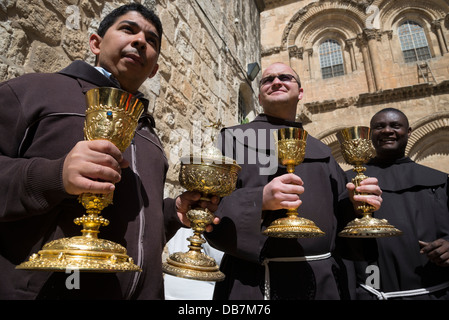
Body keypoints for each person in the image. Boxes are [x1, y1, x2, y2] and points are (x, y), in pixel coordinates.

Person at [0, 3, 216, 300]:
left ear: (154, 69)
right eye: (128, 29)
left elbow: (137, 225)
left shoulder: (149, 133)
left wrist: (172, 213)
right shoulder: (33, 93)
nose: (140, 41)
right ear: (95, 43)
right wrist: (54, 176)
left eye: (151, 40)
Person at [205, 62, 383, 300]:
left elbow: (337, 220)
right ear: (259, 95)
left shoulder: (321, 150)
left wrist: (357, 204)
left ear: (300, 92)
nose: (276, 82)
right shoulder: (233, 139)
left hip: (320, 281)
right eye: (267, 80)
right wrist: (259, 200)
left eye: (285, 77)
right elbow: (208, 208)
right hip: (254, 282)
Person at [349, 108, 449, 300]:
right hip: (372, 293)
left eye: (395, 125)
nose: (387, 130)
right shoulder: (351, 183)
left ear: (409, 132)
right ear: (370, 135)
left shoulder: (441, 181)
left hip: (433, 294)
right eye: (380, 126)